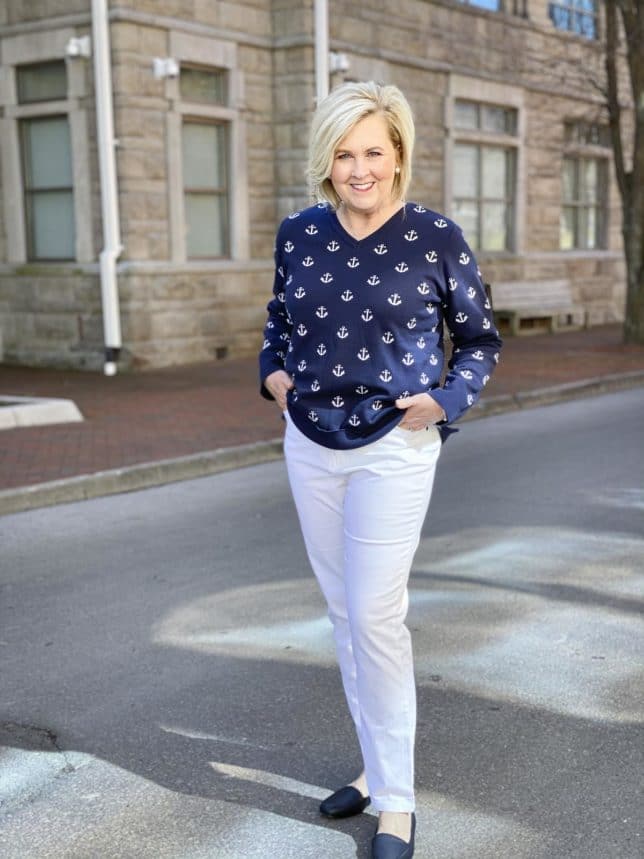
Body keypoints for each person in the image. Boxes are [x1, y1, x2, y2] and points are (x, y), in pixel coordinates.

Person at [259, 80, 502, 859]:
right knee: (342, 614)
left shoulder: (436, 238)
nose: (358, 168)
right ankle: (373, 766)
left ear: (398, 156)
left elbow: (480, 340)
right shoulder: (298, 233)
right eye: (343, 153)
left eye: (373, 151)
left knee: (375, 616)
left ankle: (397, 801)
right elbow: (277, 322)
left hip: (395, 444)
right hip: (310, 442)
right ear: (324, 161)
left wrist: (442, 400)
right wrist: (274, 376)